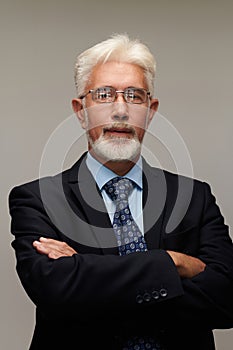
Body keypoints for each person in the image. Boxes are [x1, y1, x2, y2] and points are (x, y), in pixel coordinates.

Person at [9, 34, 233, 350]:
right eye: (103, 95)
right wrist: (174, 263)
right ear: (80, 110)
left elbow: (225, 298)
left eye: (134, 96)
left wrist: (87, 277)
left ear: (151, 110)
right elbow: (56, 292)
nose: (120, 110)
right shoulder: (38, 200)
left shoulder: (194, 198)